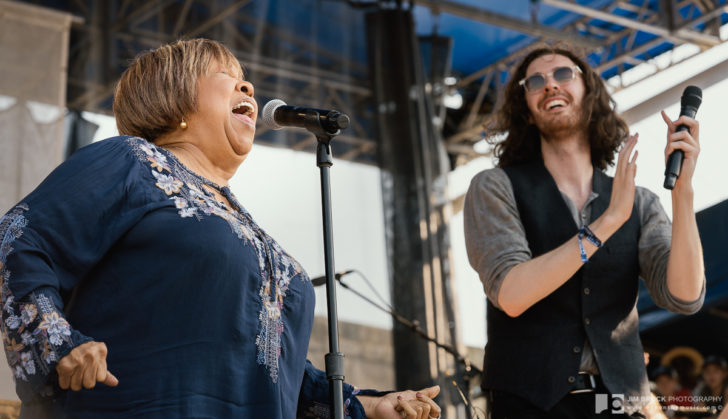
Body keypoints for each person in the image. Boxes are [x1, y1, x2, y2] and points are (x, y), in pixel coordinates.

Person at [0, 38, 442, 419]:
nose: (247, 85)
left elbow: (267, 365)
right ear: (174, 95)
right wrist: (56, 342)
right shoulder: (132, 162)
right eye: (224, 75)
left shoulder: (248, 227)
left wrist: (363, 404)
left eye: (245, 77)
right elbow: (19, 238)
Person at [463, 45, 706, 417]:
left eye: (563, 75)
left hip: (620, 403)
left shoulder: (638, 201)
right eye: (535, 82)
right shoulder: (495, 187)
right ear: (524, 110)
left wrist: (683, 192)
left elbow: (685, 297)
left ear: (590, 95)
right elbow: (511, 294)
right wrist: (605, 224)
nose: (550, 86)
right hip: (530, 403)